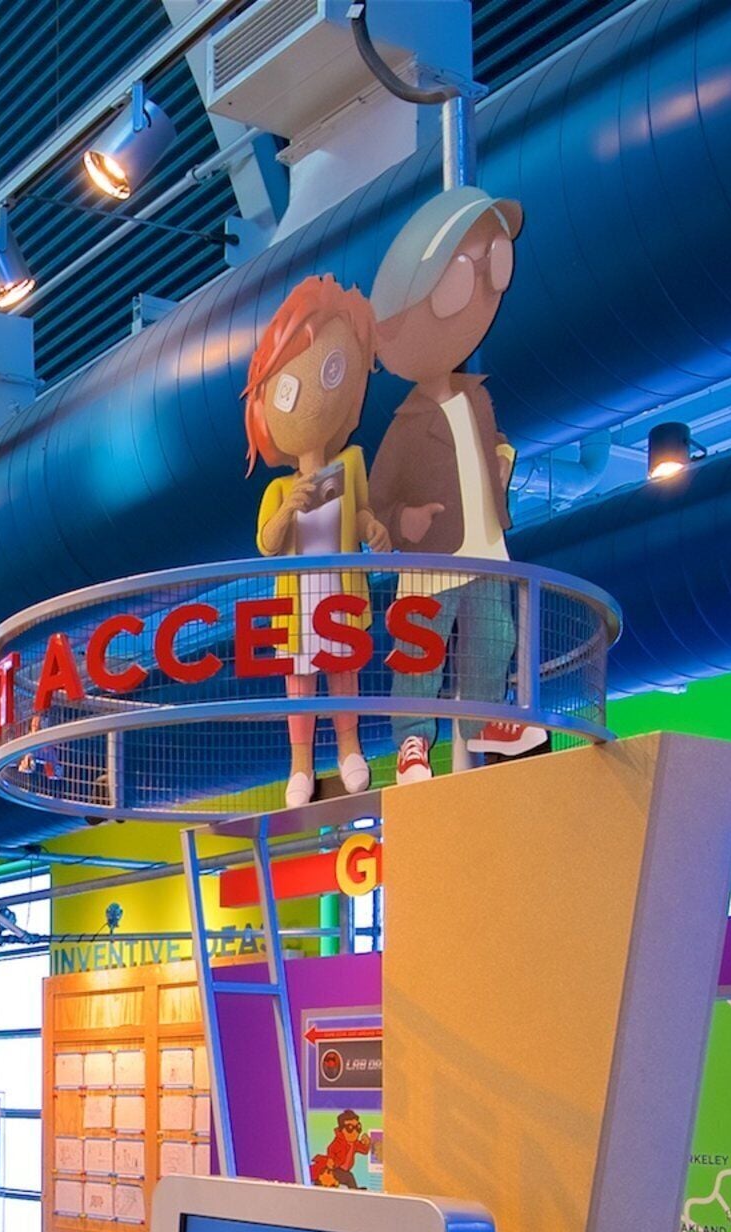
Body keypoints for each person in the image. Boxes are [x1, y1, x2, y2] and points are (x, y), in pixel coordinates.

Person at [368, 189, 545, 770]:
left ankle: (486, 718)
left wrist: (499, 462)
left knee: (493, 638)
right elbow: (378, 497)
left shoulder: (479, 399)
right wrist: (402, 521)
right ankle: (413, 740)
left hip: (486, 548)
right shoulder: (406, 425)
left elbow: (487, 449)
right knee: (420, 649)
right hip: (430, 561)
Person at [244, 276, 380, 807]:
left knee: (344, 675)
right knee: (299, 685)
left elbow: (364, 514)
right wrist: (288, 509)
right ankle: (299, 764)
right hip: (296, 606)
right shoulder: (279, 487)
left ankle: (350, 750)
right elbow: (266, 543)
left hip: (341, 595)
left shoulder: (351, 465)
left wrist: (373, 527)